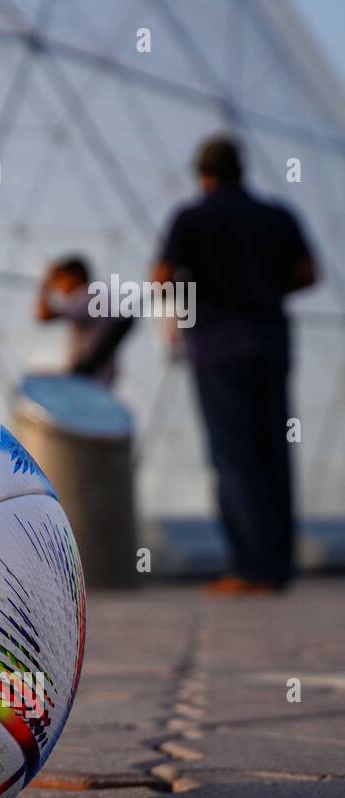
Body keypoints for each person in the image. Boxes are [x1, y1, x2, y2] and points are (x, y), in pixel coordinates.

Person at [154, 136, 317, 596]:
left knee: (234, 456)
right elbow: (309, 272)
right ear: (241, 170)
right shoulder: (276, 216)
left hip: (218, 348)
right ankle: (279, 567)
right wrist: (265, 286)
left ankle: (250, 568)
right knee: (273, 454)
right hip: (270, 344)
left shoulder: (191, 218)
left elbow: (162, 276)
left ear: (203, 175)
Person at [36, 255, 132, 385]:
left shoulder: (87, 297)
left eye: (60, 281)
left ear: (73, 277)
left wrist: (46, 283)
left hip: (90, 377)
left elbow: (44, 316)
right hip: (98, 375)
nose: (59, 289)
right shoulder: (98, 295)